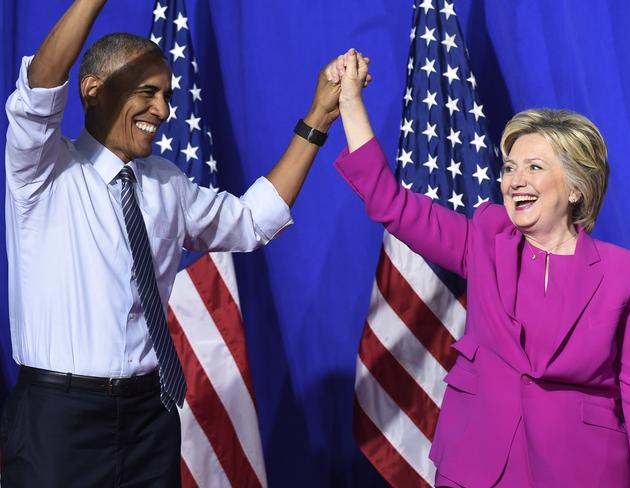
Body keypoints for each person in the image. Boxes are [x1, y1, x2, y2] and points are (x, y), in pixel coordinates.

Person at [0, 1, 367, 486]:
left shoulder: (166, 184)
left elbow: (252, 221)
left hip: (150, 418)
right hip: (58, 421)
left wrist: (319, 115)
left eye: (167, 95)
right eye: (148, 92)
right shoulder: (43, 170)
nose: (164, 110)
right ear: (93, 91)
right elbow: (38, 90)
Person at [329, 49, 630, 487]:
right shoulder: (486, 235)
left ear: (577, 187)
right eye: (510, 167)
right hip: (477, 463)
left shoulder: (627, 276)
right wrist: (349, 101)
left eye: (534, 168)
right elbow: (391, 203)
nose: (515, 180)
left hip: (583, 469)